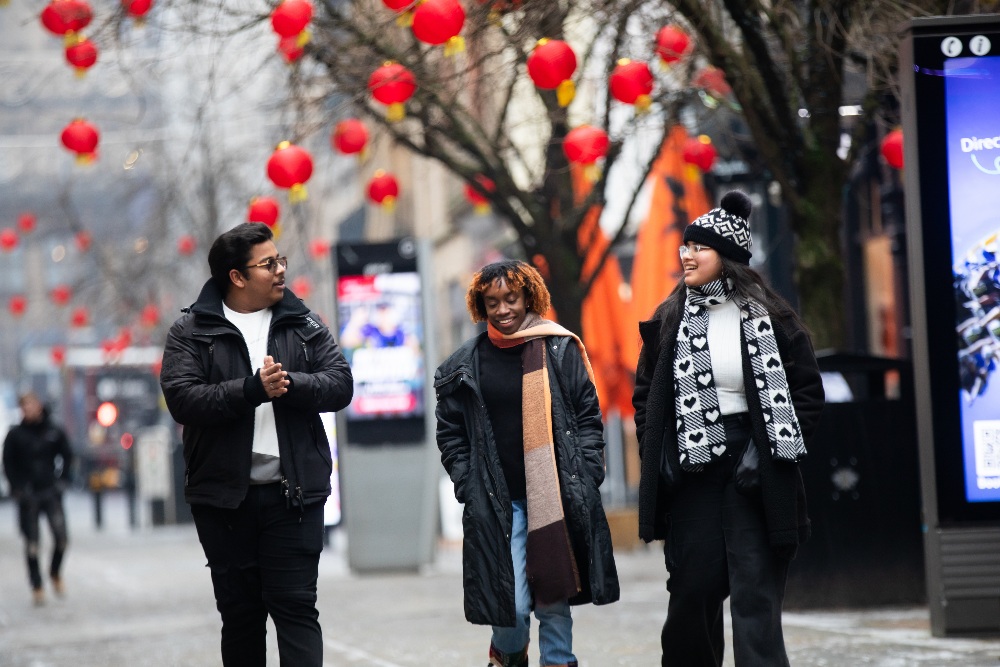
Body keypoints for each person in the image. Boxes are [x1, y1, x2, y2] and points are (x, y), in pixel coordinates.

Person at [633, 191, 825, 666]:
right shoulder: (668, 318)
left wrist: (773, 451)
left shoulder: (772, 317)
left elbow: (807, 393)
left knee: (755, 592)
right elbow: (645, 398)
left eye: (699, 247)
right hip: (692, 464)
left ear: (730, 257)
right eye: (685, 246)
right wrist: (660, 452)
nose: (687, 254)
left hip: (756, 464)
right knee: (693, 589)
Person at [159, 222, 354, 667]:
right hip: (225, 500)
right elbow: (183, 399)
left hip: (295, 496)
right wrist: (250, 390)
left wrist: (290, 384)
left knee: (297, 609)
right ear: (237, 277)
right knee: (242, 618)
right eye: (268, 264)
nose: (280, 270)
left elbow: (340, 384)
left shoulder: (302, 322)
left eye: (280, 259)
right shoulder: (191, 330)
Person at [434, 259, 620, 667]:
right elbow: (451, 433)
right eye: (493, 302)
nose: (503, 310)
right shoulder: (466, 364)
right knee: (513, 604)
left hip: (553, 495)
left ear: (528, 296)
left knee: (553, 599)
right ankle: (507, 655)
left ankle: (558, 661)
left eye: (511, 298)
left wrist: (587, 475)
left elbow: (588, 418)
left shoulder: (559, 349)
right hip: (500, 505)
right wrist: (468, 483)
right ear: (480, 306)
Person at [2, 391, 74, 606]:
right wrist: (16, 488)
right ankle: (37, 585)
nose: (28, 410)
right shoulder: (15, 435)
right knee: (32, 543)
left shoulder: (53, 430)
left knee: (61, 538)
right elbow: (8, 464)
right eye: (24, 406)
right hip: (27, 494)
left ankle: (54, 572)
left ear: (39, 405)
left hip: (50, 490)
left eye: (31, 405)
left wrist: (63, 481)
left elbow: (68, 455)